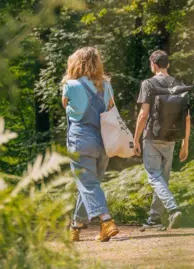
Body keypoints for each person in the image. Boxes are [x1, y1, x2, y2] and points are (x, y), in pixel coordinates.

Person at [62, 47, 119, 242]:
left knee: (88, 184)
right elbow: (110, 107)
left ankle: (106, 221)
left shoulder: (71, 85)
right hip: (104, 141)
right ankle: (75, 227)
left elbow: (65, 105)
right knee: (89, 185)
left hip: (81, 141)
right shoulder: (107, 85)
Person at [134, 50, 191, 230]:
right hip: (172, 137)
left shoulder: (148, 84)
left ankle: (173, 209)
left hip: (152, 136)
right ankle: (154, 219)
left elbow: (143, 115)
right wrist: (185, 143)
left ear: (153, 64)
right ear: (169, 65)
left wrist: (135, 139)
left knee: (154, 176)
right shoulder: (178, 84)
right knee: (162, 180)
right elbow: (188, 118)